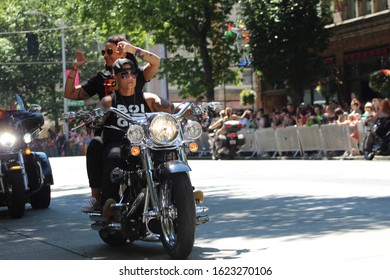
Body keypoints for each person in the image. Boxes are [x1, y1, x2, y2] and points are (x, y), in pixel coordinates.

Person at [64, 35, 161, 212]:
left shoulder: (136, 74)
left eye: (109, 51)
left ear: (121, 51)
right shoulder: (101, 78)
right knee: (95, 145)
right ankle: (97, 198)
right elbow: (71, 94)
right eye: (104, 52)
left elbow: (156, 62)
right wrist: (74, 68)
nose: (105, 55)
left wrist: (134, 49)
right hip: (110, 128)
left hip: (138, 130)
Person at [96, 58, 175, 212]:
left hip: (146, 145)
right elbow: (97, 115)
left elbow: (170, 107)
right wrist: (95, 117)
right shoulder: (109, 101)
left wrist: (190, 109)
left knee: (169, 153)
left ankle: (179, 195)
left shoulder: (148, 98)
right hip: (119, 144)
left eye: (133, 73)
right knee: (113, 156)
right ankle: (108, 203)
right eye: (124, 74)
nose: (130, 77)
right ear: (116, 77)